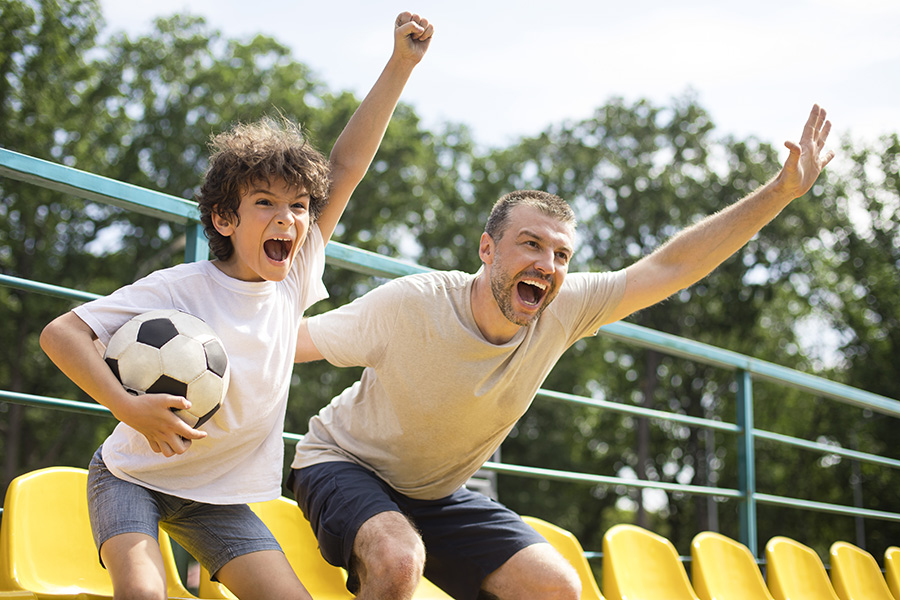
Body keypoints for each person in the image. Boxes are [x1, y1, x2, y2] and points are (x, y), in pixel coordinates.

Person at [288, 105, 834, 600]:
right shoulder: (413, 304)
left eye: (561, 253)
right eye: (531, 243)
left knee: (557, 587)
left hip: (434, 494)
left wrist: (780, 192)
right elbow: (289, 343)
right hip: (342, 463)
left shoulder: (564, 306)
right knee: (397, 559)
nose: (548, 264)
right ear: (487, 249)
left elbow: (669, 268)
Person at [39, 12, 433, 600]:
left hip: (214, 498)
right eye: (266, 203)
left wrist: (401, 63)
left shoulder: (294, 275)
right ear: (224, 219)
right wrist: (128, 407)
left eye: (299, 206)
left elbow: (346, 167)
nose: (288, 218)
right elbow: (61, 333)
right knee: (144, 594)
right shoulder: (180, 286)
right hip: (132, 479)